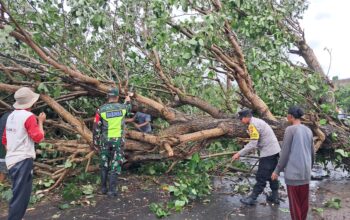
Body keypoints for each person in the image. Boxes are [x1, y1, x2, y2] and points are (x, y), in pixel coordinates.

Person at [2, 87, 46, 220]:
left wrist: (12, 154)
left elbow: (5, 140)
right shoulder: (29, 117)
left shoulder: (11, 116)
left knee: (18, 193)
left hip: (11, 159)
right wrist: (40, 122)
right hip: (22, 161)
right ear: (31, 103)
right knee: (21, 197)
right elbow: (39, 137)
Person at [271, 106, 314, 220]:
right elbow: (312, 153)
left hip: (293, 174)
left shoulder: (290, 130)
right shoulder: (308, 130)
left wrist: (277, 170)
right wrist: (309, 169)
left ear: (290, 116)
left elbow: (285, 153)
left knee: (294, 205)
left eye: (287, 115)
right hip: (305, 173)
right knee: (303, 204)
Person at [232, 109, 281, 205]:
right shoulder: (257, 121)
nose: (241, 121)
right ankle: (275, 197)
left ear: (246, 117)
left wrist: (239, 153)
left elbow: (253, 144)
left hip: (268, 152)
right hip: (275, 150)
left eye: (241, 119)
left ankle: (252, 198)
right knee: (272, 174)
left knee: (261, 176)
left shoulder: (252, 125)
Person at [92, 88, 131, 197]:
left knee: (104, 163)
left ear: (108, 97)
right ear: (117, 97)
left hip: (105, 140)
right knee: (115, 163)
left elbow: (96, 127)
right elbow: (129, 108)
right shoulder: (123, 108)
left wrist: (95, 142)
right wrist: (128, 100)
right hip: (118, 141)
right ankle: (112, 190)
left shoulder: (101, 110)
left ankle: (103, 188)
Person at [0, 110, 12, 183]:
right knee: (3, 165)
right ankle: (1, 184)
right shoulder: (11, 117)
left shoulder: (6, 115)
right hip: (3, 143)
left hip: (3, 141)